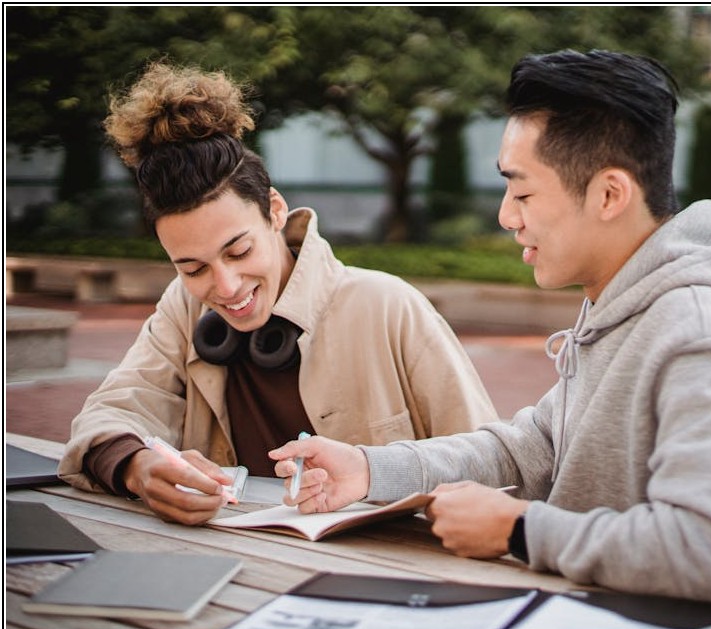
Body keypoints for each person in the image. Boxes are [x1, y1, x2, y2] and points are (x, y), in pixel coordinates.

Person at [269, 49, 711, 606]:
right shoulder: (624, 300)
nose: (507, 215)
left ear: (609, 194)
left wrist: (520, 530)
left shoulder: (702, 329)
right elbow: (531, 450)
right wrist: (368, 469)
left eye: (523, 192)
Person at [58, 62, 498, 526]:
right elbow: (107, 414)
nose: (225, 288)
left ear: (275, 210)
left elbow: (490, 461)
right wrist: (136, 467)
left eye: (239, 250)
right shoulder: (184, 306)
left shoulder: (389, 305)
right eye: (192, 267)